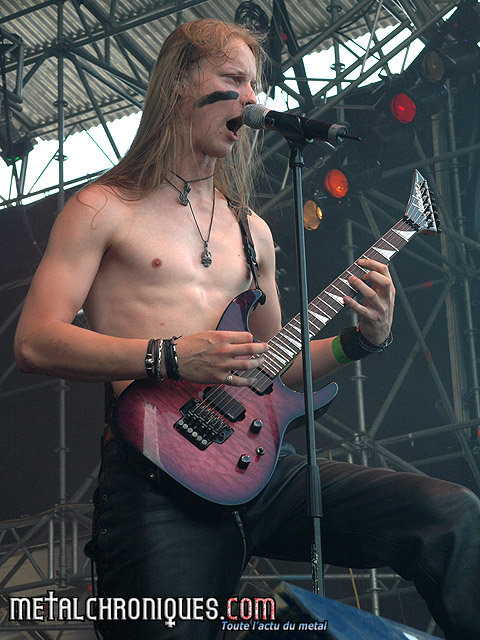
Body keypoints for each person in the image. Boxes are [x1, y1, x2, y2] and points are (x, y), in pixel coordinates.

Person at [14, 18, 480, 640]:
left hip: (261, 469)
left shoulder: (250, 230)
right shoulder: (102, 207)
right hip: (158, 478)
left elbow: (275, 364)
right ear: (180, 83)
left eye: (257, 85)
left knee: (451, 515)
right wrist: (169, 356)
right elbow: (34, 340)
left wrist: (359, 341)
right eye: (234, 79)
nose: (252, 100)